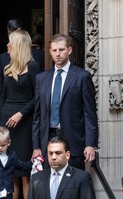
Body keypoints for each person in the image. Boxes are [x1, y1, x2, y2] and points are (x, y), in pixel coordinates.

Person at [0, 29, 41, 199]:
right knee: (10, 173)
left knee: (26, 175)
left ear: (18, 45)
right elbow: (1, 96)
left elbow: (38, 97)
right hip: (7, 121)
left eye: (10, 43)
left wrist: (21, 113)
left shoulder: (33, 67)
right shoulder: (6, 67)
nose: (7, 46)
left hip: (24, 122)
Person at [32, 33, 98, 170]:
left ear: (69, 50)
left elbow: (89, 113)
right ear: (50, 51)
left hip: (73, 140)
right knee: (49, 185)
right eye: (54, 50)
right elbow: (38, 115)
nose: (58, 54)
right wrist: (36, 146)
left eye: (61, 50)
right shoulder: (41, 78)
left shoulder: (82, 77)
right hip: (48, 139)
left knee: (72, 184)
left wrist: (90, 144)